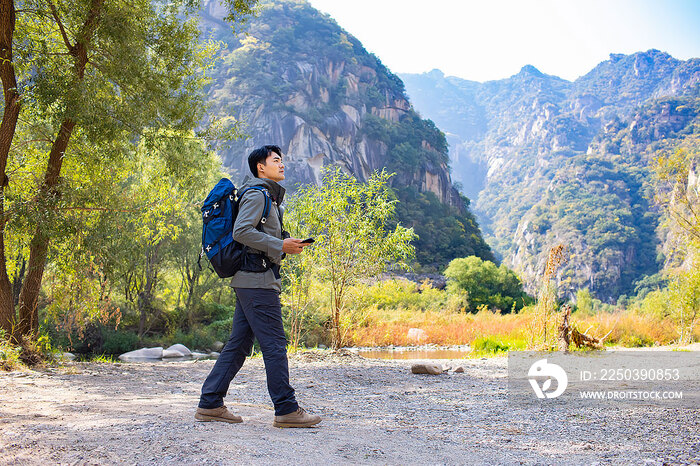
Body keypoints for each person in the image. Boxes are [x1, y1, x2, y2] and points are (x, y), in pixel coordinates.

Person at [195, 145, 321, 428]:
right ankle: (287, 409)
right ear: (260, 168)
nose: (282, 164)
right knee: (275, 344)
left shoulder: (269, 197)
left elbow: (259, 235)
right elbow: (241, 231)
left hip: (254, 280)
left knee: (238, 345)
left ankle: (210, 403)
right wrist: (279, 244)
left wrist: (286, 244)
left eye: (282, 160)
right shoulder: (256, 194)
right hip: (257, 282)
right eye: (276, 160)